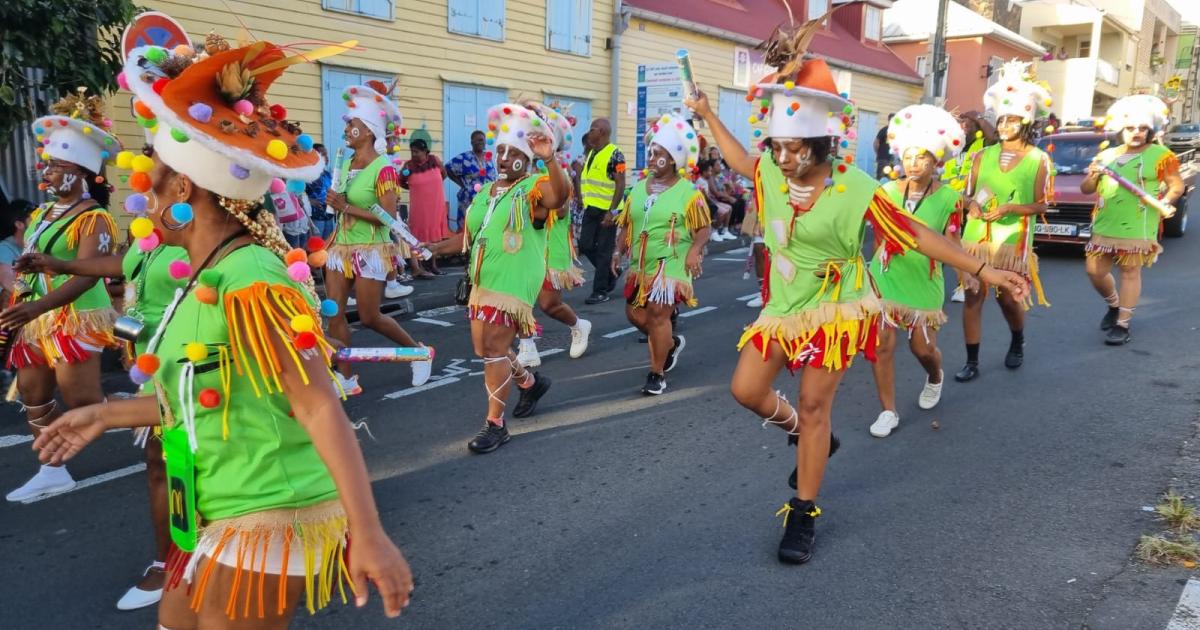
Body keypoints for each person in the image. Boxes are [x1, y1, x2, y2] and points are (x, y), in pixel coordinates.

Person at [32, 38, 413, 626]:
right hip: (214, 507)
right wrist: (104, 413)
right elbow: (194, 392)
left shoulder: (250, 277)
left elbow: (317, 407)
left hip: (269, 509)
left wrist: (368, 532)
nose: (142, 198)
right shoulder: (200, 273)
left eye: (152, 182)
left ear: (183, 190)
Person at [686, 50, 1027, 565]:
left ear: (823, 143)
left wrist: (981, 268)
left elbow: (914, 233)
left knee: (816, 405)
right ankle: (805, 437)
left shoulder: (856, 187)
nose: (782, 157)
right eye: (776, 146)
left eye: (794, 147)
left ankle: (803, 511)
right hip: (783, 304)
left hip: (838, 307)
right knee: (746, 389)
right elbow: (739, 160)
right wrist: (708, 114)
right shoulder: (771, 174)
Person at [16, 174, 188, 608]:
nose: (141, 203)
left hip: (208, 379)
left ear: (185, 190)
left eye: (155, 191)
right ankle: (170, 563)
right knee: (161, 468)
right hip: (159, 371)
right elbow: (123, 264)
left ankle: (221, 555)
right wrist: (61, 265)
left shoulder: (222, 247)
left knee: (200, 472)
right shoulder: (153, 244)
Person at [425, 102, 571, 454]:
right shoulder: (486, 193)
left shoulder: (534, 186)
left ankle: (495, 424)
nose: (503, 158)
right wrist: (431, 249)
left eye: (512, 152)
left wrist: (549, 159)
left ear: (528, 157)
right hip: (483, 279)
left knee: (492, 349)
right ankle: (530, 383)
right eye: (500, 151)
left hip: (514, 280)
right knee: (490, 348)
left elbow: (560, 197)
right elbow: (467, 237)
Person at [1, 89, 121, 503]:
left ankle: (149, 417)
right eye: (47, 165)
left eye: (57, 167)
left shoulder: (96, 218)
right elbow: (40, 260)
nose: (47, 173)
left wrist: (37, 302)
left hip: (77, 318)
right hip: (35, 318)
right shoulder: (40, 213)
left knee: (83, 400)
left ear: (81, 172)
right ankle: (52, 469)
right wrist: (23, 284)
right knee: (34, 394)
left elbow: (88, 276)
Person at [323, 80, 433, 393]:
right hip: (340, 248)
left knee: (370, 316)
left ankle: (418, 353)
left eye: (352, 124)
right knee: (334, 313)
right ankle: (345, 376)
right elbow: (340, 204)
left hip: (371, 249)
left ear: (369, 130)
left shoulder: (384, 168)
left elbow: (386, 217)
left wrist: (346, 206)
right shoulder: (345, 163)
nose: (346, 128)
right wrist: (335, 204)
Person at [867, 104, 967, 438]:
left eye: (922, 157)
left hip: (924, 279)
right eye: (908, 156)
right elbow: (879, 235)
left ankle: (935, 375)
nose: (913, 164)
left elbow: (951, 241)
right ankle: (887, 410)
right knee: (881, 344)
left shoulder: (949, 197)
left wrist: (967, 274)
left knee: (922, 348)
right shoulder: (886, 191)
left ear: (936, 161)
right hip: (886, 276)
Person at [956, 60, 1055, 382]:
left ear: (1025, 121)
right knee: (972, 296)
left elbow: (1043, 203)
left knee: (1007, 298)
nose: (1004, 125)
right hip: (976, 236)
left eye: (1012, 120)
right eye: (1001, 119)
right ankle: (972, 360)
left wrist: (1012, 209)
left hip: (1012, 239)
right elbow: (968, 194)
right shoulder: (980, 156)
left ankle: (1017, 340)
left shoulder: (1039, 159)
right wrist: (970, 205)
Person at [613, 113, 710, 395]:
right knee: (635, 315)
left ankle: (656, 374)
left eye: (659, 154)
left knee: (657, 314)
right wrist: (617, 253)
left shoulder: (689, 193)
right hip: (641, 264)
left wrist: (694, 250)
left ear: (673, 160)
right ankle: (668, 343)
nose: (652, 158)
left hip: (672, 263)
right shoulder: (638, 190)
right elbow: (627, 224)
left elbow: (704, 229)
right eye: (651, 152)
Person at [1081, 95, 1184, 345]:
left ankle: (1123, 325)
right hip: (1106, 222)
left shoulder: (1161, 154)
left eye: (1142, 128)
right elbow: (1086, 189)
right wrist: (1093, 176)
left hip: (1138, 223)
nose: (1136, 133)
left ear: (1150, 131)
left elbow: (1176, 185)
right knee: (1094, 270)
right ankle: (1113, 305)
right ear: (1121, 130)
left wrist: (1166, 202)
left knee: (1129, 270)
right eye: (1130, 128)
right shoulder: (1107, 155)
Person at [515, 101, 592, 367]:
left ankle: (578, 324)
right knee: (517, 296)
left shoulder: (557, 174)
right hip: (522, 244)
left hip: (551, 245)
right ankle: (527, 346)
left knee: (548, 304)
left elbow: (557, 212)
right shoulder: (520, 169)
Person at [941, 110, 994, 303]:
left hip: (969, 203)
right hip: (946, 201)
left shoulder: (981, 144)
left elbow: (994, 138)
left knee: (961, 246)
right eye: (961, 122)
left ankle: (964, 284)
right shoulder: (951, 145)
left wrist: (978, 117)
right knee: (941, 245)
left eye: (968, 122)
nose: (964, 125)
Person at [578, 118, 627, 304]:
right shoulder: (592, 153)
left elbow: (620, 184)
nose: (589, 133)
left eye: (592, 130)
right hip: (591, 209)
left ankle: (600, 291)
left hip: (607, 210)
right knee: (584, 245)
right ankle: (609, 272)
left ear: (602, 132)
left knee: (604, 251)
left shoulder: (615, 154)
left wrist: (612, 212)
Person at [399, 137, 449, 275]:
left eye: (416, 152)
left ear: (425, 151)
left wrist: (432, 187)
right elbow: (401, 181)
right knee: (417, 234)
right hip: (419, 205)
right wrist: (415, 189)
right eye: (412, 151)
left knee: (434, 234)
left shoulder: (435, 161)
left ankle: (433, 265)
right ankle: (419, 266)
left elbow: (444, 174)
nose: (413, 154)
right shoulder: (408, 166)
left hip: (435, 203)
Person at [446, 130, 498, 232]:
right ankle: (464, 247)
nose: (480, 142)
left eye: (482, 140)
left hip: (486, 199)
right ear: (472, 143)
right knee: (466, 228)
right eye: (477, 140)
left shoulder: (488, 157)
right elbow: (448, 168)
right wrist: (461, 184)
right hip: (468, 200)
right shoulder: (464, 157)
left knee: (484, 227)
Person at [306, 143, 335, 240]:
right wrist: (309, 201)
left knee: (327, 245)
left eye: (326, 154)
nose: (326, 157)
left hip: (328, 216)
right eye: (323, 154)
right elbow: (296, 194)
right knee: (316, 246)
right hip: (315, 217)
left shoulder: (327, 174)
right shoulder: (307, 174)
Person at [874, 113, 895, 178]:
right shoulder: (884, 130)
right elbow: (876, 143)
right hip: (883, 159)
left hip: (891, 160)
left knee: (890, 179)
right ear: (889, 120)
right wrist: (879, 153)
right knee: (880, 178)